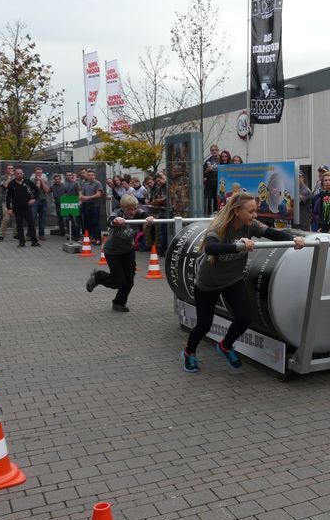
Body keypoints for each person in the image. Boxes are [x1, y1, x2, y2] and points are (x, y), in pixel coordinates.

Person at [182, 192, 305, 373]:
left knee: (244, 319)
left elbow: (273, 234)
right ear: (237, 211)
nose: (255, 215)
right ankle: (189, 352)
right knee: (204, 325)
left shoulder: (251, 225)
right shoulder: (219, 227)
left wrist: (294, 240)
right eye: (251, 211)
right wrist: (238, 246)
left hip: (233, 280)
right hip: (209, 283)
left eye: (256, 211)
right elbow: (210, 248)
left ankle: (225, 345)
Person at [86, 195, 154, 312]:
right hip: (112, 251)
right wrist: (116, 221)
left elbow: (145, 214)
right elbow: (110, 221)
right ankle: (98, 276)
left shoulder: (138, 212)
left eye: (134, 208)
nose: (132, 211)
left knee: (129, 280)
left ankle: (119, 303)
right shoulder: (117, 213)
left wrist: (149, 218)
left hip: (128, 250)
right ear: (123, 207)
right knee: (118, 281)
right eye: (129, 209)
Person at [6, 167, 40, 247]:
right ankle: (22, 242)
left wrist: (34, 199)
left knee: (31, 224)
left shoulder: (27, 182)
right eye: (18, 173)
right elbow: (8, 197)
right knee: (19, 225)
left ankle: (34, 241)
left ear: (23, 173)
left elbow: (37, 190)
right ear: (15, 174)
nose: (20, 175)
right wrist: (9, 208)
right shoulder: (11, 184)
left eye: (21, 173)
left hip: (27, 207)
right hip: (17, 208)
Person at [79, 169, 104, 245]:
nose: (91, 176)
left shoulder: (98, 183)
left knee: (95, 222)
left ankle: (98, 239)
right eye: (89, 175)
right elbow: (82, 193)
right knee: (87, 223)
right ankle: (90, 238)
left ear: (95, 176)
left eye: (92, 175)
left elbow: (98, 194)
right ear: (87, 176)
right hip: (86, 206)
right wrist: (81, 197)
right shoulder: (85, 184)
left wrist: (88, 197)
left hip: (95, 205)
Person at [0, 164, 16, 240]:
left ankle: (16, 234)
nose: (10, 170)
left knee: (15, 218)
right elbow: (5, 185)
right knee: (6, 218)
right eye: (9, 168)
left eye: (12, 168)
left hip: (15, 200)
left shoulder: (16, 177)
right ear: (6, 170)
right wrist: (9, 178)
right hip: (5, 200)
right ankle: (1, 234)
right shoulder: (3, 177)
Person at [31, 167, 50, 239]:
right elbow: (37, 190)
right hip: (35, 201)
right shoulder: (32, 180)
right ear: (35, 173)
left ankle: (41, 234)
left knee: (42, 219)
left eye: (40, 173)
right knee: (33, 218)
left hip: (43, 201)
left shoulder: (44, 180)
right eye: (38, 172)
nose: (39, 174)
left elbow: (47, 190)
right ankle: (30, 234)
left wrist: (42, 181)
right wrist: (38, 182)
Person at [203, 145, 222, 215]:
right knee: (211, 201)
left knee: (220, 200)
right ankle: (211, 214)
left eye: (215, 150)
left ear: (218, 150)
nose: (214, 151)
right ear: (210, 152)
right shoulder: (207, 161)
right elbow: (204, 174)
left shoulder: (222, 160)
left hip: (221, 184)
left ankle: (220, 213)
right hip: (211, 184)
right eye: (212, 150)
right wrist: (207, 171)